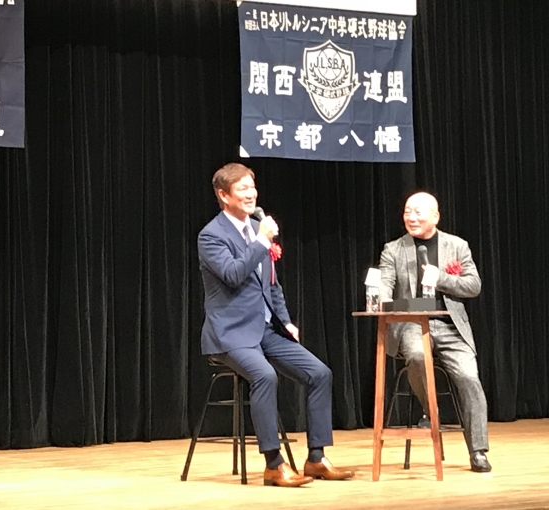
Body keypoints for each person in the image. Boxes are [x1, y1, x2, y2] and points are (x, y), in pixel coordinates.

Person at [198, 162, 354, 487]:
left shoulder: (257, 229)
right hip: (231, 334)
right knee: (265, 376)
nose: (251, 194)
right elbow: (233, 275)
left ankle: (316, 458)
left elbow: (271, 284)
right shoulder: (212, 235)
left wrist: (285, 320)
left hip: (266, 329)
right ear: (224, 196)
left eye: (252, 187)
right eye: (242, 188)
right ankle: (273, 464)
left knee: (320, 373)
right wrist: (261, 241)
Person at [379, 191, 491, 473]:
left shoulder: (457, 246)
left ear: (435, 216)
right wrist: (381, 297)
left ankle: (478, 450)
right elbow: (385, 284)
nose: (411, 217)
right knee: (417, 356)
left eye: (418, 212)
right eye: (407, 211)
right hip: (412, 323)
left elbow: (474, 285)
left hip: (450, 325)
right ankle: (431, 410)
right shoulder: (393, 249)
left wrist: (441, 278)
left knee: (469, 376)